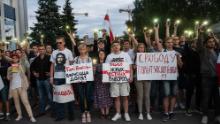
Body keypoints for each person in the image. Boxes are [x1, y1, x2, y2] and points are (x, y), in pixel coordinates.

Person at [105, 41, 133, 122]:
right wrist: (107, 78)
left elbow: (130, 66)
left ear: (120, 46)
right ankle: (118, 113)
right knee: (116, 98)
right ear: (112, 47)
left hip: (124, 79)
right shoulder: (109, 56)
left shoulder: (125, 55)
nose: (116, 47)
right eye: (114, 45)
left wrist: (131, 76)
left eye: (117, 45)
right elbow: (107, 68)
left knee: (125, 97)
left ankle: (126, 113)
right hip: (114, 80)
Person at [197, 27, 219, 124]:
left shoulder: (218, 52)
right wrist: (200, 33)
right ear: (206, 44)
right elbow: (199, 45)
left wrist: (214, 36)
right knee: (206, 98)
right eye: (210, 42)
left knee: (217, 98)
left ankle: (217, 115)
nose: (212, 43)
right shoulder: (203, 51)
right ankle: (205, 116)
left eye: (213, 42)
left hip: (217, 79)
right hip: (206, 78)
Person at [50, 36, 75, 121]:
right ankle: (60, 115)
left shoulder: (68, 52)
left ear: (64, 43)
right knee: (58, 97)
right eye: (57, 43)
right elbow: (52, 65)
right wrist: (51, 76)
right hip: (57, 78)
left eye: (60, 42)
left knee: (69, 96)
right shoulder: (54, 52)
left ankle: (71, 114)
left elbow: (72, 64)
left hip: (67, 77)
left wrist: (72, 76)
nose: (58, 44)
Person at [7, 54, 36, 122]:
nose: (14, 59)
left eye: (16, 58)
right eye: (13, 58)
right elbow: (8, 78)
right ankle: (19, 115)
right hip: (13, 87)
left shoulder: (21, 65)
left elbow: (24, 74)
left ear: (18, 59)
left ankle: (31, 116)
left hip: (21, 86)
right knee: (16, 102)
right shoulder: (9, 68)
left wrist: (19, 67)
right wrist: (10, 74)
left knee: (25, 101)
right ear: (12, 59)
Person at [74, 42, 94, 123]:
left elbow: (92, 69)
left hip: (88, 81)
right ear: (78, 50)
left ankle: (88, 112)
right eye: (80, 49)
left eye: (83, 49)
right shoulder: (76, 59)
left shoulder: (89, 59)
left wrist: (93, 69)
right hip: (79, 81)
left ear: (86, 50)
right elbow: (73, 69)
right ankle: (83, 113)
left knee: (88, 97)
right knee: (81, 98)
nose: (82, 50)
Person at [31, 45, 53, 116]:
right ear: (38, 50)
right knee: (41, 97)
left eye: (42, 49)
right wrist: (34, 73)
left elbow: (53, 67)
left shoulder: (49, 58)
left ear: (45, 50)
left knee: (50, 96)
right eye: (40, 49)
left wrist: (50, 73)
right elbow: (31, 67)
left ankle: (54, 111)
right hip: (39, 80)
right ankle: (42, 111)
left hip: (47, 80)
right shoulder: (36, 59)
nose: (41, 50)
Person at [93, 50, 113, 119]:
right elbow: (93, 75)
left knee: (107, 96)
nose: (101, 55)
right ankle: (102, 112)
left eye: (102, 54)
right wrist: (93, 70)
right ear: (98, 55)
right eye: (100, 54)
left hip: (106, 83)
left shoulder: (108, 63)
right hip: (98, 82)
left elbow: (112, 73)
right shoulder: (95, 63)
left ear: (105, 55)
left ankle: (107, 112)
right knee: (99, 96)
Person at [0, 49, 11, 121]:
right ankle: (0, 113)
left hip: (4, 83)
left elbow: (7, 70)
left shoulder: (5, 61)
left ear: (1, 53)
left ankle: (7, 114)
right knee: (0, 100)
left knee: (5, 99)